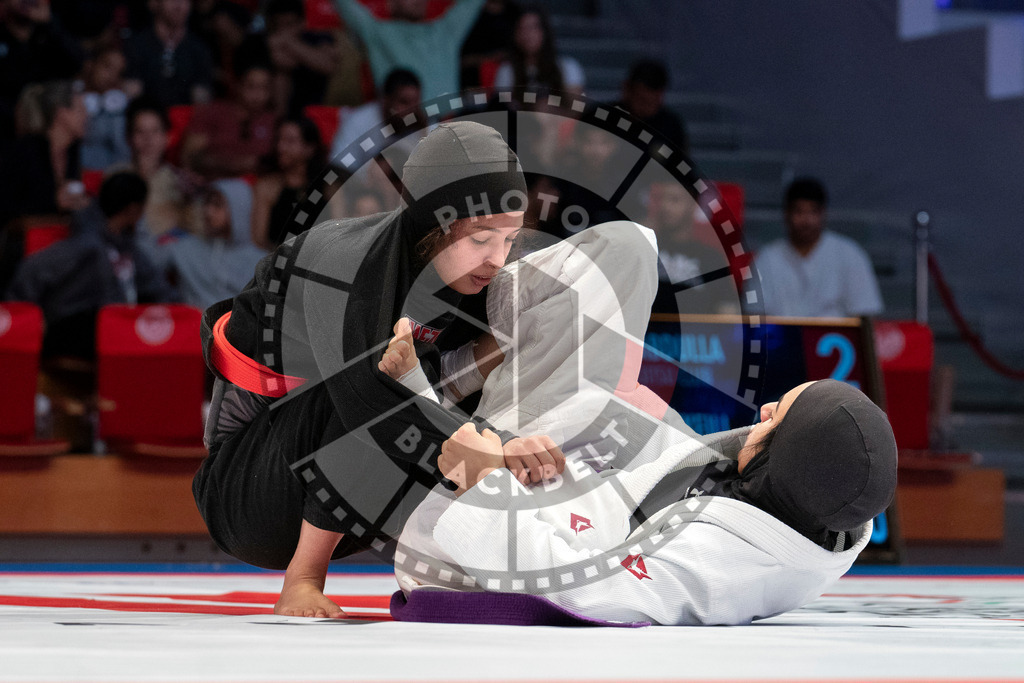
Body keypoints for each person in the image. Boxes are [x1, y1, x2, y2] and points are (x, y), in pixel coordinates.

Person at [393, 222, 898, 626]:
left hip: (458, 547)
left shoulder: (710, 564)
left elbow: (576, 587)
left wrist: (486, 479)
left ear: (787, 456)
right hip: (597, 489)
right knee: (613, 366)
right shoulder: (807, 501)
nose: (763, 411)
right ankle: (462, 378)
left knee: (624, 251)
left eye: (778, 417)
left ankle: (434, 385)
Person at [192, 120, 564, 618]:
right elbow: (365, 399)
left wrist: (511, 442)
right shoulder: (342, 264)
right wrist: (488, 447)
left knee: (501, 350)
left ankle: (483, 558)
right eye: (481, 240)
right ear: (434, 224)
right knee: (373, 382)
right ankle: (302, 580)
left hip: (346, 485)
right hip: (248, 493)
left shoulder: (471, 272)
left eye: (509, 239)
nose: (497, 259)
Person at [4, 171, 176, 359]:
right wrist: (25, 319)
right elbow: (32, 269)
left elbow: (158, 288)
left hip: (114, 328)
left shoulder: (128, 248)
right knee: (109, 327)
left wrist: (183, 315)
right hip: (73, 327)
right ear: (134, 209)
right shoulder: (86, 244)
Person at [755, 177, 883, 318]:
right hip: (780, 332)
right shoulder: (767, 259)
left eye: (813, 212)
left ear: (823, 214)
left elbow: (864, 314)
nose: (806, 221)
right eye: (799, 212)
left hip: (834, 332)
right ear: (786, 214)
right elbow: (755, 317)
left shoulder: (849, 254)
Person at [331, 0, 487, 102]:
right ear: (391, 3)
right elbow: (345, 5)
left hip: (449, 127)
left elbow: (471, 3)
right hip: (400, 129)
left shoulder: (445, 31)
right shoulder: (377, 33)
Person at [155, 178, 266, 310]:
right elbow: (148, 262)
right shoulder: (184, 248)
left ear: (238, 209)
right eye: (206, 203)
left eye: (217, 205)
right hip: (194, 322)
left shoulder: (260, 263)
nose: (208, 211)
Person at [0, 0, 84, 140]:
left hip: (52, 129)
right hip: (9, 130)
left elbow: (77, 63)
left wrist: (50, 24)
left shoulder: (49, 33)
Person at [180, 60, 277, 180]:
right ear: (238, 85)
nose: (258, 94)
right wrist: (234, 164)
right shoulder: (213, 112)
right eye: (251, 86)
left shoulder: (274, 121)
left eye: (264, 88)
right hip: (213, 182)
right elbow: (190, 157)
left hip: (260, 185)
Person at [251, 115, 326, 249]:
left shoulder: (328, 188)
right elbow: (259, 240)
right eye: (278, 139)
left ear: (309, 148)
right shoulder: (267, 187)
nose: (281, 147)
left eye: (290, 141)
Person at [123, 0, 214, 108]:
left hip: (186, 115)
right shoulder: (136, 46)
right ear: (154, 3)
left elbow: (202, 98)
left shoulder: (199, 49)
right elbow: (132, 93)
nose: (178, 5)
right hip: (146, 115)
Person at [328, 67, 423, 161]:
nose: (412, 110)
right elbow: (339, 165)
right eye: (404, 102)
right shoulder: (358, 122)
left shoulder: (419, 124)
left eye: (416, 103)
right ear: (385, 100)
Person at [492, 5, 584, 97]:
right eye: (522, 28)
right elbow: (504, 103)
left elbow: (575, 104)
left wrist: (547, 103)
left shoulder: (567, 67)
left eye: (533, 27)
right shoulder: (507, 71)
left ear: (545, 31)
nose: (528, 34)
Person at [614, 59, 688, 155]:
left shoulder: (671, 126)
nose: (646, 107)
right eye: (642, 99)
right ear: (627, 89)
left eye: (653, 101)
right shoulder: (607, 118)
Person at [79, 42, 132, 171]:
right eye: (107, 67)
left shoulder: (121, 107)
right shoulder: (70, 98)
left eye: (119, 72)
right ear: (91, 64)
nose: (112, 76)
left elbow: (123, 154)